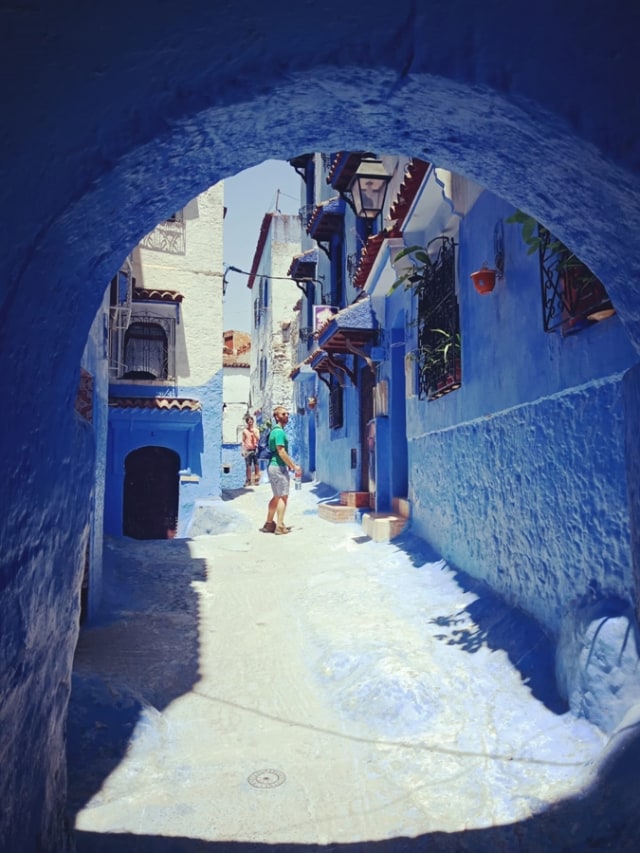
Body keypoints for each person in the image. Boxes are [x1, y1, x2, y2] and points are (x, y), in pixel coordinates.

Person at [259, 406, 301, 535]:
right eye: (283, 414)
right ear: (276, 416)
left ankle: (269, 523)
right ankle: (280, 525)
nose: (286, 416)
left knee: (277, 496)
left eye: (287, 414)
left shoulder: (274, 431)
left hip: (274, 466)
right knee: (283, 496)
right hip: (278, 467)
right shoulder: (279, 432)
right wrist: (294, 466)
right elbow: (281, 451)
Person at [241, 415, 260, 486]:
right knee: (248, 466)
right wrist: (243, 450)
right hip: (248, 450)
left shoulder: (256, 430)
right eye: (249, 422)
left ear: (253, 422)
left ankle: (256, 479)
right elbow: (243, 441)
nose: (250, 423)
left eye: (251, 422)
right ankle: (248, 480)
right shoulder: (245, 431)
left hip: (255, 449)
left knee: (256, 465)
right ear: (247, 423)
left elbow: (258, 438)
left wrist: (254, 434)